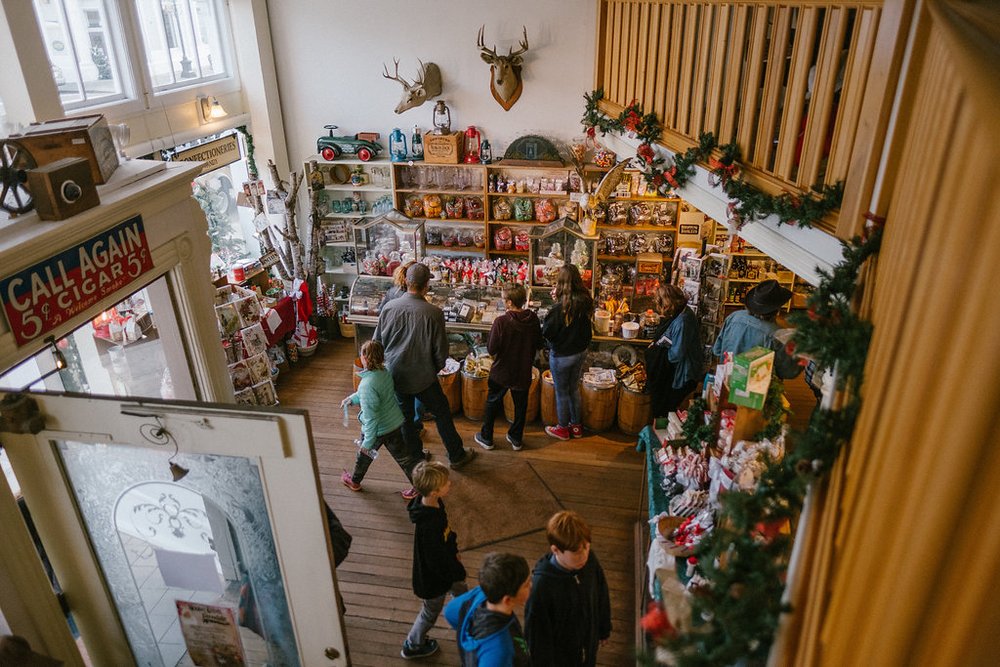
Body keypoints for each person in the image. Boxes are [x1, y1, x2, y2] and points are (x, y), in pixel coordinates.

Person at [374, 262, 477, 469]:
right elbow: (441, 352)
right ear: (426, 285)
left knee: (405, 418)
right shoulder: (433, 313)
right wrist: (434, 368)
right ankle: (456, 455)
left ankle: (416, 458)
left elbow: (377, 343)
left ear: (407, 281)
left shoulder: (389, 307)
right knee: (442, 413)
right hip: (424, 377)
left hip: (396, 375)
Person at [524, 511, 611, 667]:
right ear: (556, 550)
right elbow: (537, 638)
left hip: (588, 648)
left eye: (587, 547)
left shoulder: (590, 560)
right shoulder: (541, 587)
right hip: (561, 659)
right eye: (577, 552)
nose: (584, 555)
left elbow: (601, 592)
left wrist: (603, 628)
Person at [403, 461, 469, 659]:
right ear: (434, 492)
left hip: (447, 566)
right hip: (434, 578)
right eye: (446, 483)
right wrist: (455, 570)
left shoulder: (434, 504)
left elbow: (446, 532)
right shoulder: (428, 525)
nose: (450, 484)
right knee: (430, 612)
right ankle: (413, 644)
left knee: (461, 593)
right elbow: (435, 560)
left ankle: (466, 618)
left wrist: (453, 548)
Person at [340, 339, 420, 499]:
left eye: (362, 355)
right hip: (394, 423)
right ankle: (419, 486)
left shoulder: (367, 384)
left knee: (364, 456)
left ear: (366, 358)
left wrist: (367, 444)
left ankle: (354, 481)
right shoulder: (385, 372)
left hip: (378, 430)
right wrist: (351, 399)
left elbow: (371, 418)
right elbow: (373, 397)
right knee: (405, 459)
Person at [474, 284, 543, 452]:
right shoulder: (532, 319)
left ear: (510, 302)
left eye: (503, 299)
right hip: (523, 371)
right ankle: (516, 438)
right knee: (521, 406)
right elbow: (539, 343)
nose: (502, 301)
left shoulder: (501, 322)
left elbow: (491, 349)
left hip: (502, 372)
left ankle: (487, 437)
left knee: (492, 403)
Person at [445, 552, 532, 666]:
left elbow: (450, 611)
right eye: (526, 584)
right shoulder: (499, 651)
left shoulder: (481, 594)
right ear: (507, 600)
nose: (531, 585)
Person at [541, 266, 593, 441]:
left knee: (562, 392)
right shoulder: (586, 300)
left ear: (560, 283)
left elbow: (547, 332)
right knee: (573, 389)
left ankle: (562, 428)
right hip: (580, 352)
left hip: (562, 356)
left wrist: (555, 304)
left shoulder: (558, 309)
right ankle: (576, 427)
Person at [711, 279, 802, 379]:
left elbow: (717, 350)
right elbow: (788, 372)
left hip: (725, 378)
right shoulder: (778, 335)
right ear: (777, 308)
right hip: (755, 389)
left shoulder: (734, 317)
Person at [644, 284, 704, 418]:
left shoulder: (682, 321)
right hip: (680, 371)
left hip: (683, 374)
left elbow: (675, 355)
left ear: (666, 304)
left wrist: (657, 351)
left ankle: (663, 433)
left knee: (667, 408)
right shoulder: (683, 311)